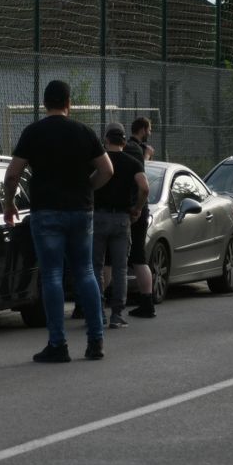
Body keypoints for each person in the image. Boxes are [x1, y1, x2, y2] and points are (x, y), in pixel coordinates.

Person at [5, 80, 113, 362]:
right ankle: (96, 341)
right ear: (69, 103)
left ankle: (58, 344)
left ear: (45, 104)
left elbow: (13, 173)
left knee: (52, 274)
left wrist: (9, 203)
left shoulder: (33, 132)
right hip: (81, 211)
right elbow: (107, 170)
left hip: (46, 211)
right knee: (85, 272)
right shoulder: (84, 132)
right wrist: (88, 188)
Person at [93, 124, 147, 331]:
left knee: (96, 267)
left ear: (106, 140)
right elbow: (144, 187)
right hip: (122, 219)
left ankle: (98, 312)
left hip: (98, 217)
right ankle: (117, 315)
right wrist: (137, 208)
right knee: (120, 269)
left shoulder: (97, 162)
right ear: (124, 142)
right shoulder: (133, 162)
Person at [125, 116, 158, 317]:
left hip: (134, 206)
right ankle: (147, 301)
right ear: (143, 129)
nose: (150, 133)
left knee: (129, 256)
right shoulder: (135, 149)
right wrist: (145, 156)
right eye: (150, 129)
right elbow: (140, 175)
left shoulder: (132, 148)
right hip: (136, 206)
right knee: (138, 255)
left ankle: (146, 302)